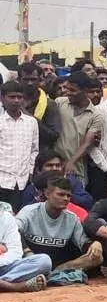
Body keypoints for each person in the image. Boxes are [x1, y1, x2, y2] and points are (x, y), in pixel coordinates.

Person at [0, 80, 39, 213]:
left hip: (23, 181)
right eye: (12, 97)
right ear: (2, 98)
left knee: (19, 217)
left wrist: (30, 171)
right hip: (2, 179)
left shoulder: (31, 122)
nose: (16, 100)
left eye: (19, 97)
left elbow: (34, 150)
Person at [0, 203, 51, 293]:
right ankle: (14, 287)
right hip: (4, 261)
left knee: (44, 261)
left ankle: (4, 283)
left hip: (5, 266)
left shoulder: (6, 217)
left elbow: (15, 252)